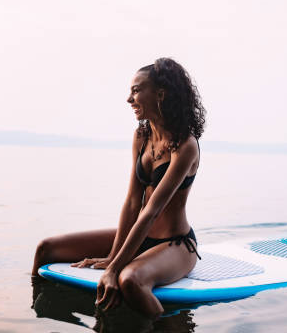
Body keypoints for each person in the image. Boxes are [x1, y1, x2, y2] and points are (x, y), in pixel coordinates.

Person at [32, 58, 205, 317]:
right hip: (140, 235)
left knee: (129, 280)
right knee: (46, 249)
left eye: (136, 90)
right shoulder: (142, 136)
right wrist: (114, 255)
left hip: (175, 245)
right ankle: (38, 312)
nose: (129, 99)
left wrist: (114, 269)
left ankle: (170, 326)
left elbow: (151, 212)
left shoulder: (185, 146)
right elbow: (133, 202)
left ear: (160, 94)